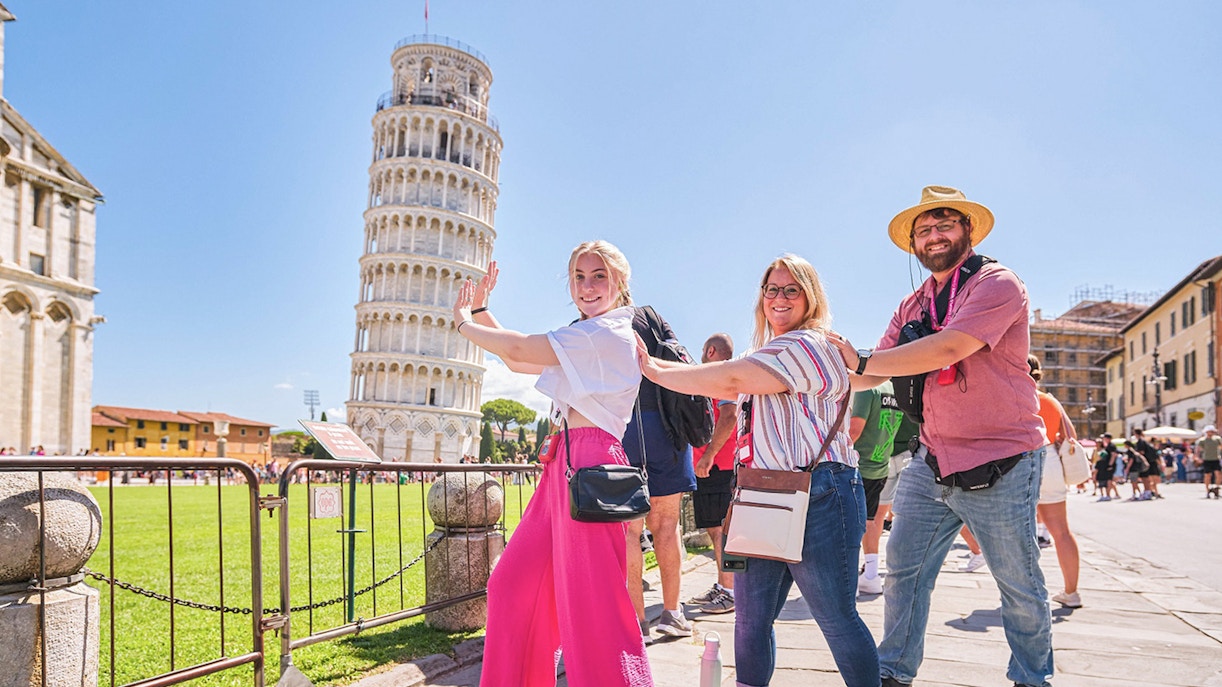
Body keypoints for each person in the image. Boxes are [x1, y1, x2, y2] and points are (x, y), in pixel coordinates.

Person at [830, 186, 1053, 687]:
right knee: (903, 573)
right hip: (931, 459)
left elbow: (949, 347)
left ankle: (1032, 678)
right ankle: (892, 672)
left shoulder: (997, 282)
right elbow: (870, 372)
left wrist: (860, 361)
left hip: (1004, 459)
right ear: (914, 243)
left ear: (967, 231)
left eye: (945, 225)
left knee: (1018, 585)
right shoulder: (912, 303)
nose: (934, 236)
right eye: (924, 230)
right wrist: (814, 367)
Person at [638, 254, 879, 687]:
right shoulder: (769, 352)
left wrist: (652, 368)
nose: (779, 298)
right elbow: (728, 377)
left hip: (821, 491)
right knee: (750, 619)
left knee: (835, 618)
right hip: (763, 493)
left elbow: (728, 381)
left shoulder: (810, 344)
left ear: (811, 298)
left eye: (792, 290)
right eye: (772, 290)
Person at [453, 246, 652, 687]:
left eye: (599, 276)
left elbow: (522, 348)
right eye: (579, 277)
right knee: (512, 586)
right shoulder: (588, 333)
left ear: (619, 282)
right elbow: (519, 358)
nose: (587, 286)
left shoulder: (606, 334)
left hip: (590, 460)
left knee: (593, 604)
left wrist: (464, 321)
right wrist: (484, 311)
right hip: (563, 462)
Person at [624, 307, 698, 640]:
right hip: (666, 430)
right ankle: (672, 612)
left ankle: (637, 621)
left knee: (628, 532)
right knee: (667, 525)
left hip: (622, 429)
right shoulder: (650, 317)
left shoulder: (594, 322)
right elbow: (680, 357)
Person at [685, 333, 738, 614]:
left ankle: (731, 591)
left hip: (719, 465)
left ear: (710, 350)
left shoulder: (721, 379)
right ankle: (724, 586)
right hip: (718, 464)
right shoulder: (724, 378)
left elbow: (729, 417)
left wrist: (708, 455)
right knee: (718, 529)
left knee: (722, 531)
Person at [1028, 355, 1084, 609]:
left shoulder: (1012, 395)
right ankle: (1071, 592)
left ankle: (1026, 593)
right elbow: (1070, 435)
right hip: (1049, 458)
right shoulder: (1050, 401)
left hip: (1020, 461)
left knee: (1020, 532)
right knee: (1061, 531)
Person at [850, 381, 903, 596]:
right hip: (880, 465)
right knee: (870, 520)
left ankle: (848, 582)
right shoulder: (892, 389)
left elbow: (854, 431)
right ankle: (871, 574)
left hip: (858, 465)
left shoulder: (867, 388)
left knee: (847, 525)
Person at [1131, 429, 1163, 499]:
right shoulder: (1144, 441)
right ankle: (1149, 492)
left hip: (1144, 462)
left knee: (1145, 478)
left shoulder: (1140, 442)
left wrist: (1135, 453)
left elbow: (1141, 452)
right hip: (1149, 462)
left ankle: (1147, 492)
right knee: (1146, 478)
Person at [1195, 424, 1221, 498]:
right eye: (1209, 431)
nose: (1211, 433)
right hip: (1207, 459)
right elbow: (1198, 449)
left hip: (1216, 458)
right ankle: (1207, 490)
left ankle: (1216, 488)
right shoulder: (1202, 440)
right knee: (1207, 475)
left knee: (1218, 474)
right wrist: (1197, 457)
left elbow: (1220, 447)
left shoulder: (1217, 439)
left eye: (1212, 432)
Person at [1093, 433, 1119, 501]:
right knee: (1109, 480)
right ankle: (1115, 494)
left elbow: (1113, 455)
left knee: (1109, 480)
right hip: (1105, 465)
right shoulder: (1107, 446)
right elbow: (1103, 455)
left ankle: (1108, 495)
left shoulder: (1111, 446)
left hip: (1109, 466)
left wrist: (1110, 465)